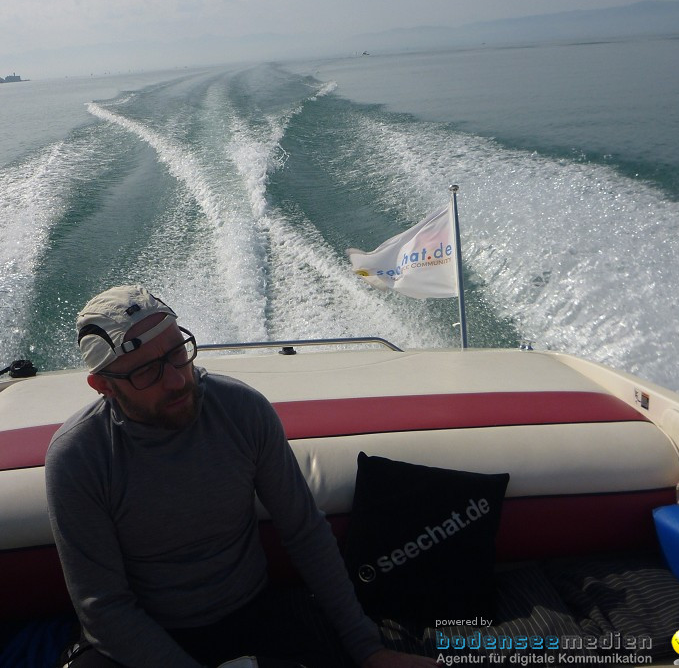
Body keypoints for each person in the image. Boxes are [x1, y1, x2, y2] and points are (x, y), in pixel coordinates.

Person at [45, 285, 436, 668]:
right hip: (145, 635)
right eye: (148, 371)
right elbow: (104, 607)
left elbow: (304, 531)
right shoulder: (80, 458)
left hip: (251, 614)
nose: (179, 380)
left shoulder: (241, 411)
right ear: (103, 386)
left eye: (178, 353)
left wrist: (368, 648)